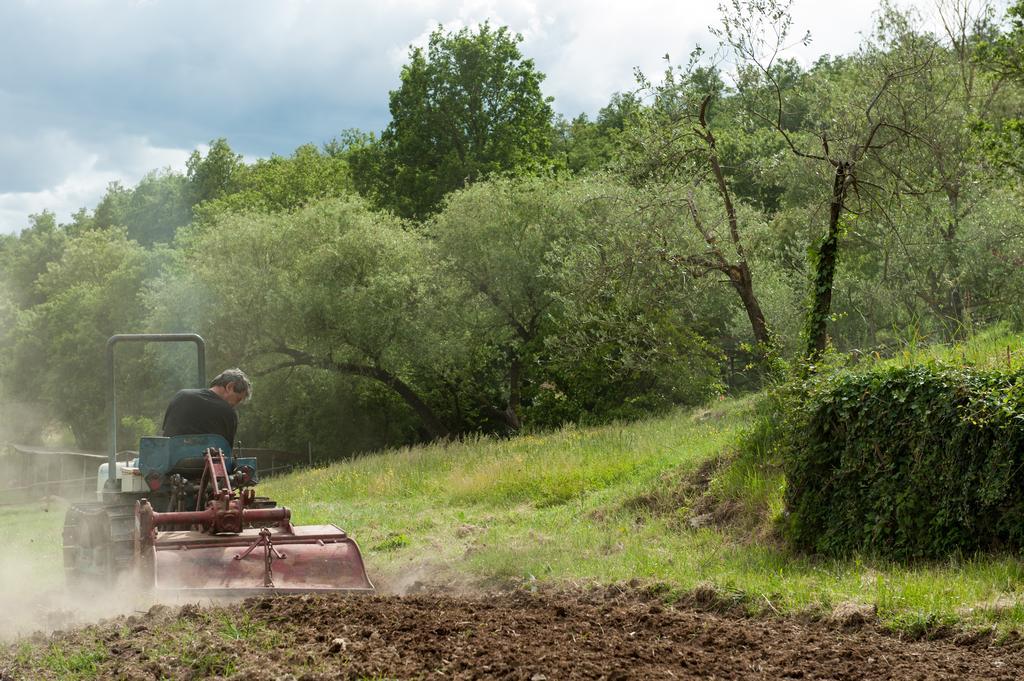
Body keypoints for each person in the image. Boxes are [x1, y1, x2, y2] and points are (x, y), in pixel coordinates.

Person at [161, 368, 251, 446]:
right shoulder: (229, 413)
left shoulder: (181, 395)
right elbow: (226, 451)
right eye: (238, 399)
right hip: (205, 465)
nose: (236, 405)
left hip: (171, 462)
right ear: (229, 387)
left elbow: (165, 434)